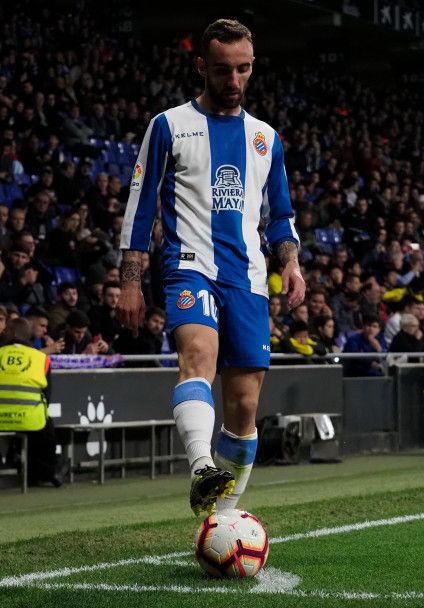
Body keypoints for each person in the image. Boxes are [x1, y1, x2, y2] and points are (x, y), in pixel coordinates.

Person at [117, 19, 304, 517]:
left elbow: (280, 216)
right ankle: (202, 465)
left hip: (246, 278)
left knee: (244, 407)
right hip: (187, 264)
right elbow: (140, 205)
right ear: (202, 66)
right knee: (198, 351)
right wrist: (130, 282)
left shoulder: (266, 139)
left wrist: (293, 264)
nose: (235, 80)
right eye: (223, 70)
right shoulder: (169, 125)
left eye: (243, 69)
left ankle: (219, 520)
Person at [0, 317, 66, 487]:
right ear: (28, 336)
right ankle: (48, 472)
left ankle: (22, 459)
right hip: (29, 419)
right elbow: (47, 396)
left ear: (10, 333)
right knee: (44, 425)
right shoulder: (41, 358)